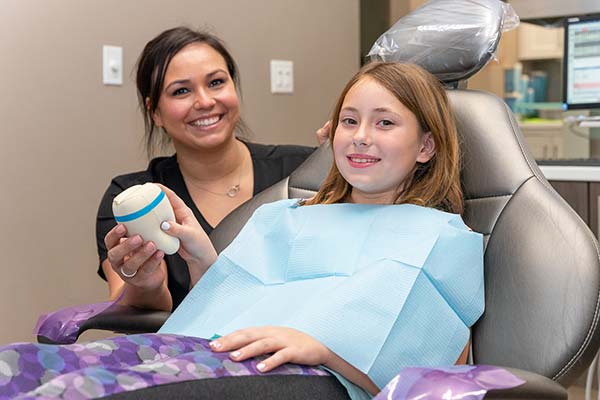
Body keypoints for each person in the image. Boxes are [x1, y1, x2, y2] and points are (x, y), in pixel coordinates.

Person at [4, 62, 482, 399]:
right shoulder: (288, 214)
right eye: (350, 121)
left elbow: (435, 363)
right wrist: (199, 256)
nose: (360, 136)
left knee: (70, 393)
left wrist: (325, 349)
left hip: (298, 374)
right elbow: (234, 298)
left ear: (426, 147)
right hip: (204, 349)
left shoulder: (440, 236)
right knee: (15, 370)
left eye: (385, 123)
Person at [97, 27, 324, 312]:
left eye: (216, 82)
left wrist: (343, 164)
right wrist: (145, 285)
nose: (205, 102)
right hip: (193, 353)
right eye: (181, 91)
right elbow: (131, 315)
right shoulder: (134, 200)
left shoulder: (304, 171)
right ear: (155, 112)